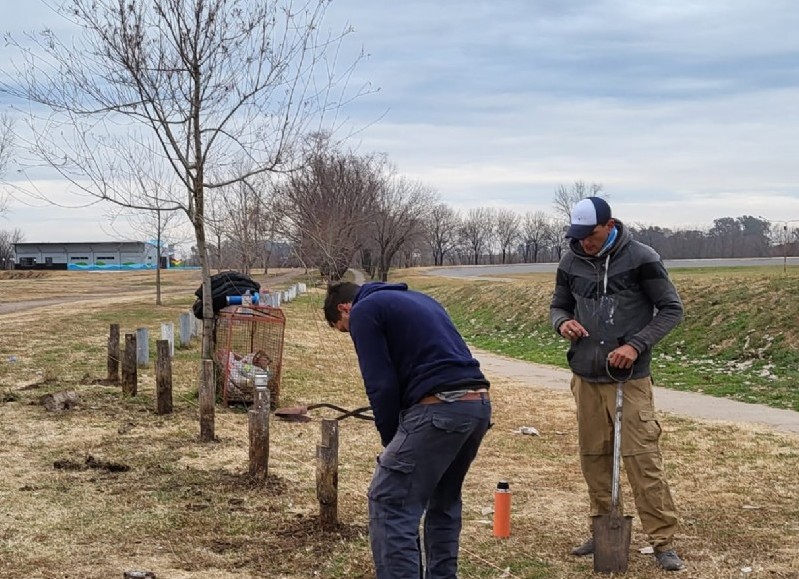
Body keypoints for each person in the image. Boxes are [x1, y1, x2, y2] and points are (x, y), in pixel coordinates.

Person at [549, 197, 686, 572]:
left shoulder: (642, 257)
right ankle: (603, 527)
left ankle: (662, 541)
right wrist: (562, 323)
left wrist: (635, 344)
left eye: (590, 236)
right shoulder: (570, 260)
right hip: (585, 377)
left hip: (629, 379)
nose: (584, 244)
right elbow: (557, 305)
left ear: (609, 226)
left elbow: (672, 309)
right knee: (594, 458)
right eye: (577, 237)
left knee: (642, 461)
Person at [324, 281, 492, 579]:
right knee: (444, 497)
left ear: (343, 308)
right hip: (476, 405)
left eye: (344, 329)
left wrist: (392, 439)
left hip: (439, 408)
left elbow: (381, 384)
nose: (351, 334)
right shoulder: (421, 300)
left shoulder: (364, 310)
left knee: (389, 500)